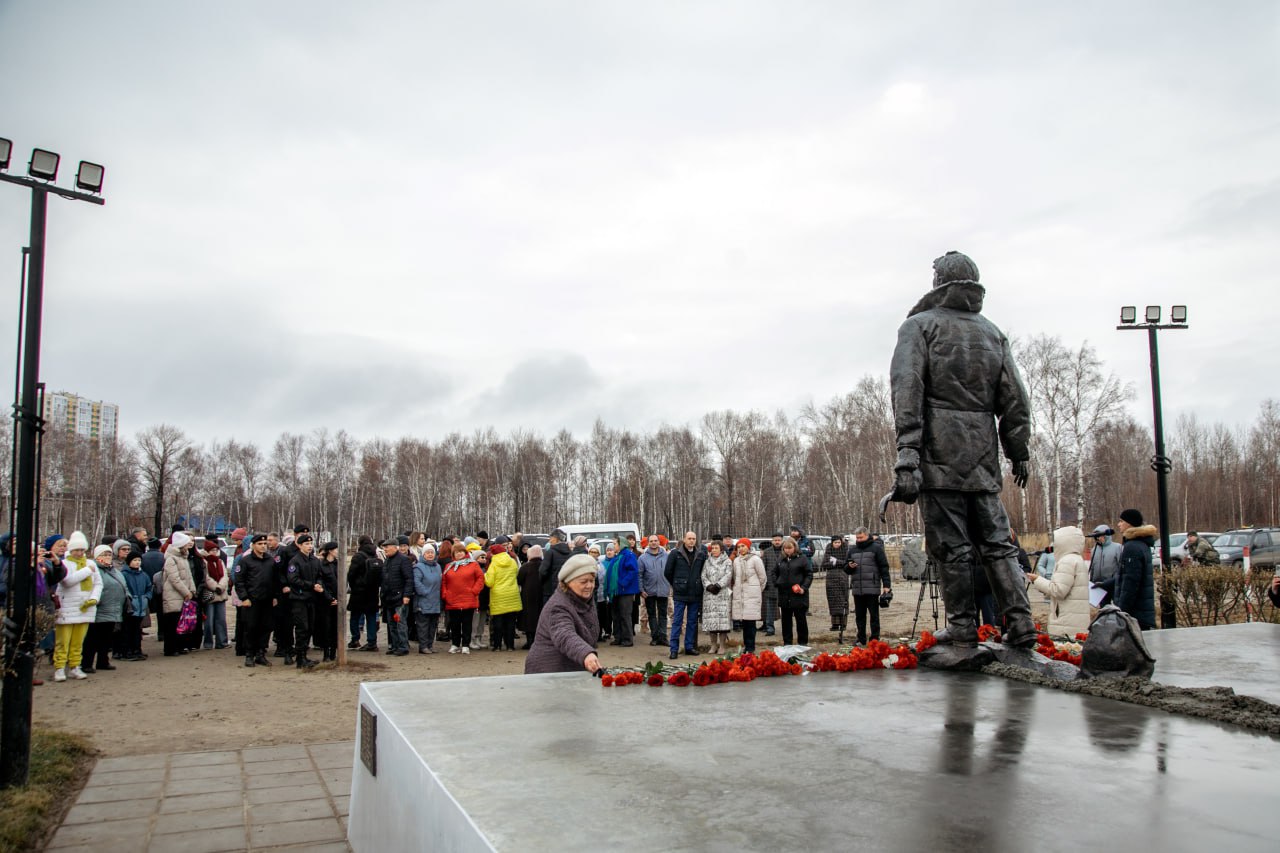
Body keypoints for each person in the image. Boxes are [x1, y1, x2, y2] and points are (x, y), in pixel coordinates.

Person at [885, 250, 1037, 650]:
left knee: (951, 544)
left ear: (940, 283)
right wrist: (1017, 450)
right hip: (982, 457)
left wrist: (907, 455)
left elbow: (908, 390)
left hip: (939, 456)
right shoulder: (992, 333)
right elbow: (1015, 400)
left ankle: (963, 625)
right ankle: (1020, 623)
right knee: (998, 543)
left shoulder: (919, 327)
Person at [524, 554, 602, 675]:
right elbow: (565, 635)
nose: (589, 586)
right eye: (583, 582)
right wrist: (585, 653)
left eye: (592, 581)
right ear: (568, 582)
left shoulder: (584, 600)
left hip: (571, 670)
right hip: (548, 673)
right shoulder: (558, 606)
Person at [51, 532, 102, 681]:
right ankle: (59, 667)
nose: (80, 553)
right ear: (71, 550)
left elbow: (98, 583)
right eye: (76, 550)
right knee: (63, 641)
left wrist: (94, 597)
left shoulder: (91, 563)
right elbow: (67, 581)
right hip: (67, 607)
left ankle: (75, 666)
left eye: (82, 550)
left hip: (85, 607)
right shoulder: (65, 563)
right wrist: (86, 571)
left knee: (78, 641)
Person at [1028, 526, 1090, 637]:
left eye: (1056, 541)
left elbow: (1059, 590)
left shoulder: (1067, 561)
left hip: (1066, 622)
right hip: (1073, 620)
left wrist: (1037, 580)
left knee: (1065, 651)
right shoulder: (1076, 559)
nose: (1054, 544)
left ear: (1064, 542)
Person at [233, 534, 276, 667]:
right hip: (252, 600)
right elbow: (239, 581)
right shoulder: (246, 561)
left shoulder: (270, 560)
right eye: (260, 544)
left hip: (267, 600)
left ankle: (260, 654)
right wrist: (244, 597)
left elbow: (275, 580)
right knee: (251, 627)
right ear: (253, 545)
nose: (263, 546)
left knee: (266, 627)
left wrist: (275, 596)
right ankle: (249, 655)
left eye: (264, 544)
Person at [81, 544, 126, 673]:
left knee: (106, 638)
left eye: (109, 554)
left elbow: (122, 585)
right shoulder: (93, 570)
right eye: (103, 555)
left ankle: (103, 661)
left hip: (113, 609)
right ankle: (86, 663)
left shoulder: (114, 570)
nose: (107, 557)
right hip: (99, 609)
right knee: (92, 638)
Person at [664, 531, 706, 660]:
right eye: (689, 538)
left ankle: (689, 647)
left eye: (694, 538)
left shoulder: (701, 554)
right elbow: (667, 572)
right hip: (680, 593)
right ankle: (674, 649)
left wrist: (698, 584)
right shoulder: (675, 554)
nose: (691, 541)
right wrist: (677, 584)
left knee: (692, 622)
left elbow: (703, 571)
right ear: (684, 539)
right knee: (677, 621)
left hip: (695, 593)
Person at [1114, 508, 1157, 630]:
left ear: (1129, 523)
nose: (1119, 524)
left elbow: (1130, 582)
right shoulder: (1141, 544)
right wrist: (1106, 584)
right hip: (1140, 612)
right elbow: (1128, 574)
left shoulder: (1132, 547)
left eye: (1121, 521)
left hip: (1135, 614)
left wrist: (1122, 613)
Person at [848, 527, 891, 646]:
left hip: (872, 587)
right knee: (859, 616)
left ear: (867, 536)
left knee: (874, 616)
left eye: (861, 537)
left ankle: (874, 639)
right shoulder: (852, 550)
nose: (859, 540)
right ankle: (860, 639)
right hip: (857, 588)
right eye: (857, 538)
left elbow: (884, 567)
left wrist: (887, 585)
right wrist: (849, 567)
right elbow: (846, 568)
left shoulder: (876, 549)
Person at [442, 543, 484, 654]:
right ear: (453, 554)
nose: (459, 554)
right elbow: (444, 581)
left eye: (461, 551)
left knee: (467, 623)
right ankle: (455, 644)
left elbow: (480, 578)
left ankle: (466, 644)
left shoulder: (473, 565)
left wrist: (474, 591)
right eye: (456, 552)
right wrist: (445, 594)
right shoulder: (448, 566)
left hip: (468, 598)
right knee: (454, 624)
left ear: (465, 553)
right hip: (453, 599)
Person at [160, 532, 196, 658]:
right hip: (173, 595)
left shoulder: (183, 557)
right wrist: (186, 592)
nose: (189, 546)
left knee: (181, 622)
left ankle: (179, 646)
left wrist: (192, 590)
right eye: (186, 543)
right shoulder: (171, 559)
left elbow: (189, 576)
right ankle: (170, 648)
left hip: (184, 595)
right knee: (172, 622)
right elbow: (174, 578)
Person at [774, 536, 812, 645]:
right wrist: (778, 582)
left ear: (795, 548)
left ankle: (803, 642)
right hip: (784, 595)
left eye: (790, 548)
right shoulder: (780, 559)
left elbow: (809, 574)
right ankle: (787, 643)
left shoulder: (802, 558)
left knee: (801, 620)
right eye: (785, 548)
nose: (788, 550)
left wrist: (803, 588)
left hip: (799, 595)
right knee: (786, 621)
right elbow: (774, 573)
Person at [730, 538, 766, 653]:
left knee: (751, 623)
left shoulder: (755, 559)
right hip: (740, 595)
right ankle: (746, 645)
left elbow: (762, 578)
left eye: (743, 546)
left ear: (748, 547)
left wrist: (755, 589)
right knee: (744, 623)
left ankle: (751, 647)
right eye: (739, 547)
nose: (741, 548)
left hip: (752, 594)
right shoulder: (736, 561)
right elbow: (735, 577)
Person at [485, 543, 522, 652]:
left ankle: (497, 646)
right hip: (512, 594)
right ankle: (510, 645)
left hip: (498, 595)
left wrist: (485, 576)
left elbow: (489, 582)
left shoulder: (494, 564)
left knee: (498, 622)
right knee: (510, 622)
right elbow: (516, 574)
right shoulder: (512, 561)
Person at [347, 536, 381, 651]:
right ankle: (372, 642)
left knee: (355, 616)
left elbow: (351, 574)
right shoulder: (375, 555)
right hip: (373, 591)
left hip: (359, 591)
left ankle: (355, 639)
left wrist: (354, 586)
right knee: (371, 617)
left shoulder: (358, 556)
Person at [380, 537, 413, 656]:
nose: (385, 549)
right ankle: (394, 646)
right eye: (384, 547)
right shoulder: (387, 561)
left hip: (400, 598)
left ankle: (403, 646)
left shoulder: (404, 560)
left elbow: (409, 579)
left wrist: (407, 595)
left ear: (395, 547)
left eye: (387, 547)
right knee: (391, 624)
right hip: (388, 598)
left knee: (401, 623)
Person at [700, 540, 733, 655]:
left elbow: (728, 575)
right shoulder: (707, 561)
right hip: (709, 594)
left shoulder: (727, 561)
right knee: (711, 621)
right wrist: (708, 585)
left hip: (722, 593)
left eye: (716, 548)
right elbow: (703, 575)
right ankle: (713, 645)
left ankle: (722, 646)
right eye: (712, 548)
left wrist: (718, 585)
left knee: (722, 622)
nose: (713, 550)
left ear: (721, 549)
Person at [638, 534, 671, 647]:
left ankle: (663, 637)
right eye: (651, 541)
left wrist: (669, 585)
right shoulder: (643, 558)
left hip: (663, 590)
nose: (653, 543)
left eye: (655, 541)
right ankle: (655, 637)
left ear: (659, 542)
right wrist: (641, 589)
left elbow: (671, 571)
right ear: (648, 543)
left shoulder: (666, 556)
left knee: (663, 614)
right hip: (649, 591)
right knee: (651, 615)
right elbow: (640, 575)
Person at [606, 538, 640, 648]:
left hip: (625, 591)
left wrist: (623, 582)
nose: (613, 545)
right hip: (616, 591)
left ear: (621, 544)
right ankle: (618, 637)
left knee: (625, 615)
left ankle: (627, 639)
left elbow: (633, 571)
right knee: (616, 615)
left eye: (615, 543)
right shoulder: (617, 556)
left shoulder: (628, 555)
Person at [120, 550, 152, 661]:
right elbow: (124, 589)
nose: (137, 562)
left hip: (141, 605)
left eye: (139, 560)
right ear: (129, 561)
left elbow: (149, 587)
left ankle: (137, 650)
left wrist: (146, 597)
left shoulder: (143, 575)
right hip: (130, 606)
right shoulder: (124, 574)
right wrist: (130, 599)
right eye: (135, 560)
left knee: (138, 630)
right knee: (128, 630)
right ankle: (127, 651)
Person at [412, 544, 443, 654]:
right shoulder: (418, 567)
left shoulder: (437, 566)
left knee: (433, 625)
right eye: (428, 552)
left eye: (432, 552)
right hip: (423, 601)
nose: (430, 555)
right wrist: (424, 592)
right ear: (423, 554)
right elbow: (416, 582)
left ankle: (430, 645)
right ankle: (423, 646)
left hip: (435, 600)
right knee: (423, 625)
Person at [200, 537, 230, 650]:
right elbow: (206, 577)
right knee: (209, 620)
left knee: (221, 619)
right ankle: (208, 643)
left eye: (216, 550)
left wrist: (221, 586)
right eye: (212, 550)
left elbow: (225, 575)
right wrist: (215, 587)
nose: (215, 552)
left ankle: (222, 642)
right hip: (210, 594)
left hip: (221, 594)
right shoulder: (204, 561)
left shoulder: (219, 561)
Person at [314, 542, 340, 661]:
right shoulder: (320, 564)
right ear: (330, 551)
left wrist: (339, 598)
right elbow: (320, 582)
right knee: (326, 627)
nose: (337, 551)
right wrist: (329, 598)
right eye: (336, 549)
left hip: (337, 601)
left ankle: (333, 653)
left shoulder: (337, 564)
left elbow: (342, 582)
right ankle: (326, 653)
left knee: (335, 627)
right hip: (324, 601)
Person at [823, 533, 851, 633]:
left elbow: (847, 562)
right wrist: (835, 563)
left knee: (843, 600)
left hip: (843, 578)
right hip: (831, 579)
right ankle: (835, 624)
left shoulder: (846, 550)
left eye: (839, 542)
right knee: (833, 600)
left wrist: (836, 561)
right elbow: (824, 564)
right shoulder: (828, 549)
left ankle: (843, 623)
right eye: (835, 542)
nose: (837, 544)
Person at [517, 545, 544, 649]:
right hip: (541, 594)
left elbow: (519, 580)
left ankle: (530, 641)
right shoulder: (544, 565)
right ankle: (539, 641)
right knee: (540, 617)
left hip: (527, 596)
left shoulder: (525, 567)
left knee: (528, 618)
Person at [1087, 524, 1122, 604]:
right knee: (1103, 609)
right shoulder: (1094, 550)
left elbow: (1121, 567)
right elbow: (1092, 567)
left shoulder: (1117, 547)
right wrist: (1092, 581)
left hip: (1113, 584)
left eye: (1101, 536)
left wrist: (1117, 579)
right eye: (1097, 537)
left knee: (1118, 607)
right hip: (1099, 585)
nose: (1099, 538)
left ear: (1106, 535)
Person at [759, 533, 784, 636]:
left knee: (786, 609)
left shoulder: (787, 550)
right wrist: (765, 583)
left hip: (784, 584)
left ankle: (786, 628)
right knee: (770, 608)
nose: (777, 542)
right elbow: (763, 569)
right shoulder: (767, 552)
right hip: (771, 584)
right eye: (775, 540)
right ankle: (770, 628)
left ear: (782, 540)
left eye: (779, 540)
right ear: (772, 540)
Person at [540, 529, 572, 605]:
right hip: (566, 589)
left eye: (551, 538)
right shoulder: (570, 553)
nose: (549, 540)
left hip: (550, 591)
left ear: (555, 538)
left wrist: (543, 583)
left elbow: (542, 571)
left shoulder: (550, 552)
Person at [591, 544, 611, 642]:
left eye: (595, 552)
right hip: (591, 594)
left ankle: (599, 635)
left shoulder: (601, 564)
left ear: (598, 554)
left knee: (601, 616)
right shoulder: (587, 563)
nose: (593, 554)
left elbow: (604, 579)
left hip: (601, 594)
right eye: (591, 552)